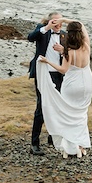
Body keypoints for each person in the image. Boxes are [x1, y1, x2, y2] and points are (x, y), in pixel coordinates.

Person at [37, 20, 92, 158]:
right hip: (87, 84)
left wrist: (48, 61)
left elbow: (63, 70)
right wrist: (64, 20)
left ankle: (70, 148)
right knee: (81, 114)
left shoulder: (69, 52)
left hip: (72, 85)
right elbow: (82, 25)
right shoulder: (86, 46)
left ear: (69, 34)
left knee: (68, 114)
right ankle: (81, 145)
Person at [27, 12, 67, 155]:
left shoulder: (63, 35)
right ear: (50, 21)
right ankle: (34, 143)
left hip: (58, 74)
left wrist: (63, 51)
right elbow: (30, 38)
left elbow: (69, 55)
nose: (59, 24)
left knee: (57, 106)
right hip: (43, 73)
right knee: (41, 107)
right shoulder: (42, 30)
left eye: (61, 21)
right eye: (56, 21)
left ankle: (53, 136)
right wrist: (47, 27)